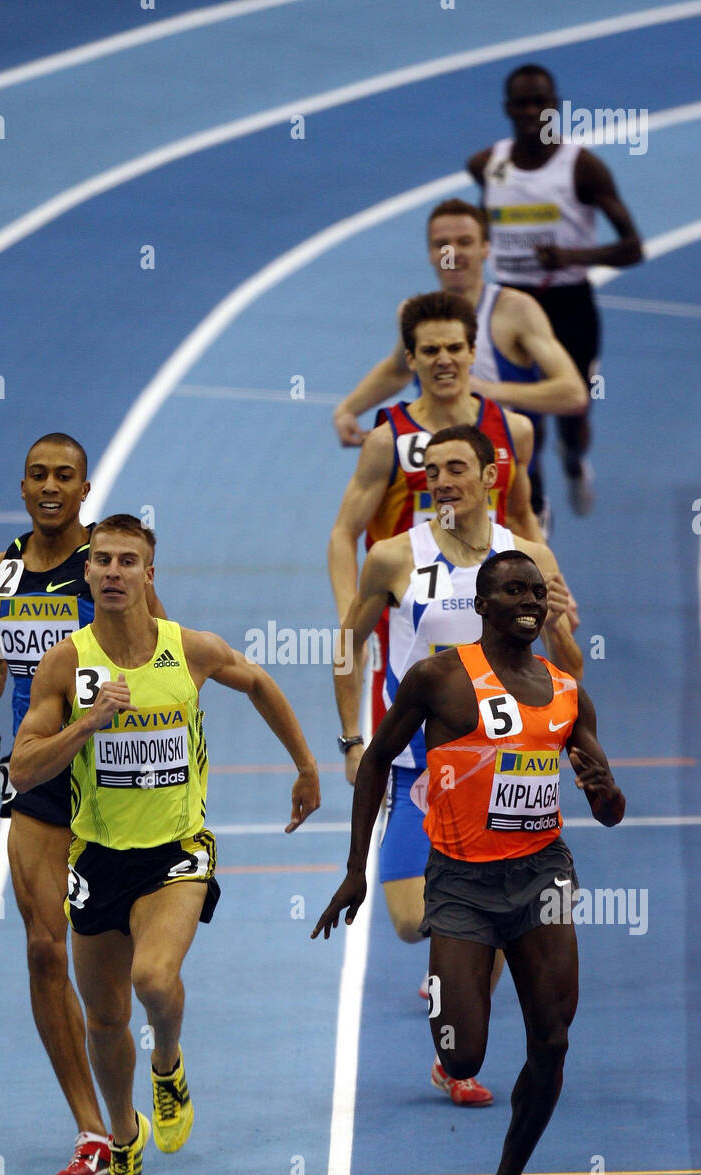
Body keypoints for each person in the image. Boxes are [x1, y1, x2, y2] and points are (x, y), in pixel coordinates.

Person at [9, 514, 320, 1175]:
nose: (114, 572)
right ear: (87, 576)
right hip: (97, 858)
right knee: (106, 1017)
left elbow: (260, 683)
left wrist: (306, 767)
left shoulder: (190, 649)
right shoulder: (67, 662)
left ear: (150, 574)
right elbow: (24, 770)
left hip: (177, 851)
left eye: (128, 561)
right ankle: (123, 1140)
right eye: (103, 562)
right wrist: (86, 726)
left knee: (154, 980)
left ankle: (169, 1064)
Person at [315, 550, 625, 1175]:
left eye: (537, 592)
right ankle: (451, 1009)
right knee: (463, 1053)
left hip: (541, 874)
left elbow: (609, 808)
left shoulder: (568, 692)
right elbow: (373, 764)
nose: (529, 602)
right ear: (480, 606)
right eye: (513, 590)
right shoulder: (440, 679)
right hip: (461, 881)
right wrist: (355, 868)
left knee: (553, 1039)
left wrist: (606, 794)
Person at [335, 424, 582, 1104]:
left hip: (506, 771)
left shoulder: (528, 556)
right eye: (431, 471)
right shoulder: (391, 557)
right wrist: (352, 742)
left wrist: (559, 629)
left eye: (453, 468)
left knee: (497, 903)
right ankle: (458, 944)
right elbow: (348, 645)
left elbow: (571, 673)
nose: (440, 481)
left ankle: (460, 1003)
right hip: (421, 769)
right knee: (413, 922)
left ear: (489, 473)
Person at [0, 433, 165, 1175]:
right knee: (44, 947)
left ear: (85, 490)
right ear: (23, 489)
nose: (51, 486)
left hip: (116, 779)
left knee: (123, 960)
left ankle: (161, 1057)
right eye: (39, 475)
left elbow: (162, 653)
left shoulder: (107, 568)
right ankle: (95, 1130)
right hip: (39, 774)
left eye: (65, 476)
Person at [329, 290, 553, 740]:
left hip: (492, 606)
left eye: (454, 348)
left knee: (498, 742)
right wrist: (349, 612)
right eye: (430, 350)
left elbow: (523, 515)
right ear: (411, 360)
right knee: (403, 750)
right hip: (412, 613)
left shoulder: (514, 430)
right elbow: (343, 533)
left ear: (473, 352)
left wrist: (554, 585)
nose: (444, 360)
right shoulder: (387, 438)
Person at [331, 198, 588, 529]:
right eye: (442, 244)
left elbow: (573, 393)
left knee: (508, 577)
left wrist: (485, 390)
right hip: (436, 484)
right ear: (430, 254)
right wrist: (348, 409)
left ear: (485, 248)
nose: (454, 252)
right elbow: (397, 369)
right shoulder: (416, 315)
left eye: (465, 242)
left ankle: (574, 461)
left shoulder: (516, 311)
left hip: (506, 484)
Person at [467, 64, 643, 515]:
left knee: (572, 411)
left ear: (556, 107)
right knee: (522, 419)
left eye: (539, 102)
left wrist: (572, 258)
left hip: (569, 306)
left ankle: (575, 458)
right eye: (521, 103)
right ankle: (536, 506)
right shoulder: (486, 166)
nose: (530, 111)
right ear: (507, 108)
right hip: (509, 304)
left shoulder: (582, 168)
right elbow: (486, 218)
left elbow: (633, 248)